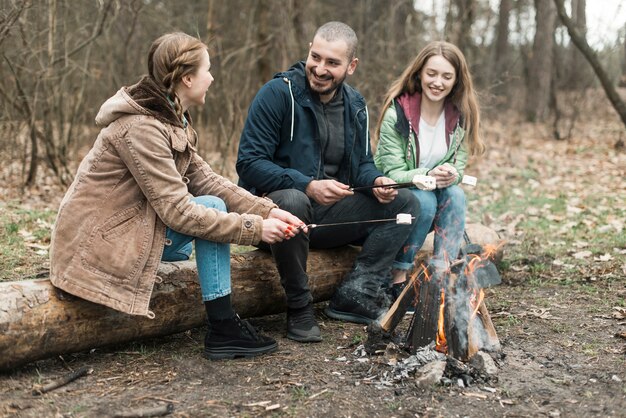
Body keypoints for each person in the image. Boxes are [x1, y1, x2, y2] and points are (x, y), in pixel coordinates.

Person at [49, 32, 306, 360]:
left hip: (129, 229)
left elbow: (208, 180)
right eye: (207, 70)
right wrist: (253, 228)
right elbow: (178, 211)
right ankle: (224, 328)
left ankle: (223, 325)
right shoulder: (142, 128)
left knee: (213, 202)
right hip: (96, 245)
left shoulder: (170, 119)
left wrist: (269, 212)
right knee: (210, 210)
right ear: (187, 78)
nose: (212, 78)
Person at [236, 21, 420, 337]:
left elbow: (361, 164)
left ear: (351, 66)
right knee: (295, 199)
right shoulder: (278, 94)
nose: (320, 69)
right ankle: (299, 308)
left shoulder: (355, 104)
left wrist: (376, 180)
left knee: (407, 205)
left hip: (328, 216)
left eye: (332, 63)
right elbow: (249, 164)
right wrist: (306, 184)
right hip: (274, 217)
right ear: (309, 51)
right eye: (316, 57)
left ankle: (357, 292)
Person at [373, 41, 485, 296]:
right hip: (394, 199)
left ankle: (443, 276)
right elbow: (392, 174)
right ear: (420, 73)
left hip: (433, 195)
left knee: (456, 195)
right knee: (423, 199)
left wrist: (452, 174)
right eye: (432, 73)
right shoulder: (398, 114)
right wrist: (426, 176)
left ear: (456, 81)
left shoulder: (460, 116)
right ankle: (396, 277)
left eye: (447, 76)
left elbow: (457, 164)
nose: (438, 82)